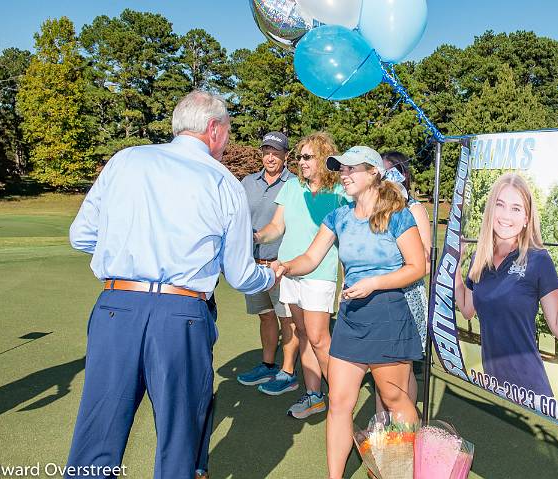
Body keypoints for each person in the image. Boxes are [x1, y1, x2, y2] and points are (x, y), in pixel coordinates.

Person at [66, 90, 276, 479]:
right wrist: (273, 273)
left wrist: (127, 253)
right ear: (213, 129)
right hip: (181, 313)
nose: (227, 140)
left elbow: (81, 236)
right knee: (180, 436)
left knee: (97, 432)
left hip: (116, 306)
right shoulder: (223, 181)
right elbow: (242, 274)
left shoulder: (126, 159)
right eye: (227, 131)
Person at [274, 146, 426, 478]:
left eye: (351, 169)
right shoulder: (339, 217)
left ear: (373, 172)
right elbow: (311, 259)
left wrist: (374, 283)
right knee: (339, 404)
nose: (344, 175)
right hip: (350, 319)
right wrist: (285, 265)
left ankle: (401, 471)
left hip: (387, 314)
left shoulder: (398, 215)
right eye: (341, 170)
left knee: (395, 400)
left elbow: (418, 266)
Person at [454, 172, 558, 398]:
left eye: (516, 208)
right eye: (500, 205)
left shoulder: (538, 259)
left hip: (530, 389)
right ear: (490, 210)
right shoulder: (481, 256)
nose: (506, 215)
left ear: (527, 217)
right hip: (493, 386)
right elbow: (467, 309)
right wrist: (456, 263)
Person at [255, 132, 349, 419]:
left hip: (319, 273)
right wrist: (256, 236)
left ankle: (342, 399)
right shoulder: (293, 187)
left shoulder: (340, 193)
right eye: (299, 156)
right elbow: (276, 227)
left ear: (323, 158)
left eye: (307, 157)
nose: (301, 162)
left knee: (320, 338)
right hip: (288, 272)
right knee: (303, 334)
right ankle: (314, 396)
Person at [236, 132, 299, 396]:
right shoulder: (248, 182)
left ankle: (288, 373)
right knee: (266, 317)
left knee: (288, 320)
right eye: (266, 151)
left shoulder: (295, 183)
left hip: (281, 264)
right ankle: (267, 364)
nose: (270, 157)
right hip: (254, 264)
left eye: (276, 152)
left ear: (286, 156)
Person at [374, 151, 431, 412]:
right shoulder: (374, 210)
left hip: (407, 296)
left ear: (402, 175)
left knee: (404, 367)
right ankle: (382, 431)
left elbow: (425, 262)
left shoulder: (414, 209)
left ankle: (404, 429)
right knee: (380, 366)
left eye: (388, 172)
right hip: (378, 296)